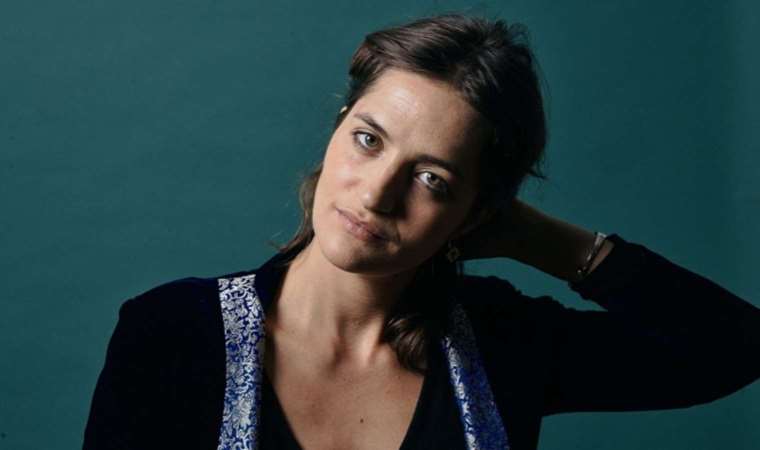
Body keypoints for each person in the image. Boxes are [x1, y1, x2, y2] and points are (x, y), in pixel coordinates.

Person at [82, 12, 760, 450]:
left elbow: (734, 349)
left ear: (478, 211)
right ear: (338, 125)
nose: (377, 193)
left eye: (431, 179)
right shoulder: (173, 335)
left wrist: (540, 240)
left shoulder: (501, 343)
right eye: (368, 139)